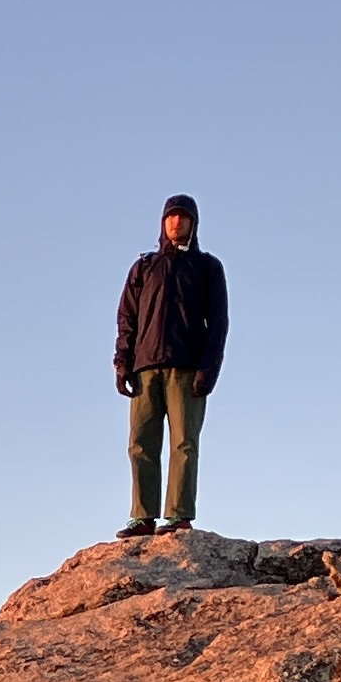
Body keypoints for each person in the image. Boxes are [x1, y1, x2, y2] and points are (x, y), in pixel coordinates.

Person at [113, 193, 227, 537]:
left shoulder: (207, 267)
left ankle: (178, 515)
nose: (176, 222)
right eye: (171, 217)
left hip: (187, 368)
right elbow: (127, 318)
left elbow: (218, 322)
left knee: (184, 442)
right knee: (141, 443)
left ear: (194, 223)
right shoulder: (145, 266)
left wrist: (209, 369)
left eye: (183, 217)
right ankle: (143, 517)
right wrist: (122, 361)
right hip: (145, 367)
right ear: (163, 223)